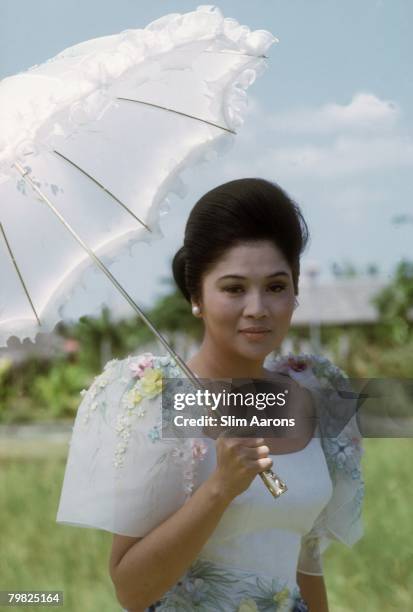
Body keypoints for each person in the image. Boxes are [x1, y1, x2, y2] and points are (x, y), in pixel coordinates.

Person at [56, 178, 365, 611]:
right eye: (234, 288)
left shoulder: (313, 394)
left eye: (276, 286)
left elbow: (306, 565)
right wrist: (220, 487)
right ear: (196, 296)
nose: (257, 308)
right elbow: (131, 590)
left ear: (296, 291)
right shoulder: (159, 400)